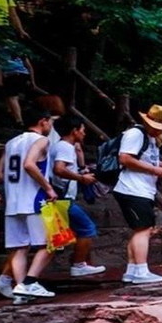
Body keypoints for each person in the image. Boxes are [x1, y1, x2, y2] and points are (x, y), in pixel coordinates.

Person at [0, 112, 58, 299]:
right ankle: (30, 282)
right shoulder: (41, 141)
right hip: (35, 199)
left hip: (12, 201)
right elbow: (29, 164)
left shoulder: (11, 143)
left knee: (19, 248)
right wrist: (48, 187)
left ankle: (20, 291)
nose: (51, 127)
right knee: (51, 243)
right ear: (42, 121)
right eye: (50, 123)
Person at [113, 104, 162, 284]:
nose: (160, 131)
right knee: (144, 229)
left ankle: (132, 270)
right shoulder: (135, 134)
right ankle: (141, 270)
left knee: (140, 230)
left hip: (142, 189)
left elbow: (147, 160)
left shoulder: (150, 139)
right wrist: (154, 169)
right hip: (132, 188)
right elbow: (125, 158)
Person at [50, 115, 106, 277]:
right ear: (74, 131)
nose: (84, 133)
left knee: (58, 238)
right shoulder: (65, 147)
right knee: (87, 228)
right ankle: (79, 264)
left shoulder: (58, 146)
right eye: (82, 130)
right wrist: (82, 178)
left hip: (61, 197)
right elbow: (59, 169)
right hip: (63, 198)